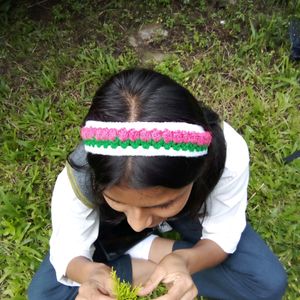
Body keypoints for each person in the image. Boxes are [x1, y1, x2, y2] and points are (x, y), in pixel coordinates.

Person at [28, 68, 287, 300]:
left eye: (163, 203)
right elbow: (68, 251)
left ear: (198, 171)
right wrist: (89, 272)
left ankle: (139, 249)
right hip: (110, 224)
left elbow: (222, 234)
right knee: (43, 294)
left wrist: (185, 260)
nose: (138, 223)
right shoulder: (82, 173)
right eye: (116, 199)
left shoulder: (226, 154)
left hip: (189, 209)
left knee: (266, 284)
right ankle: (147, 251)